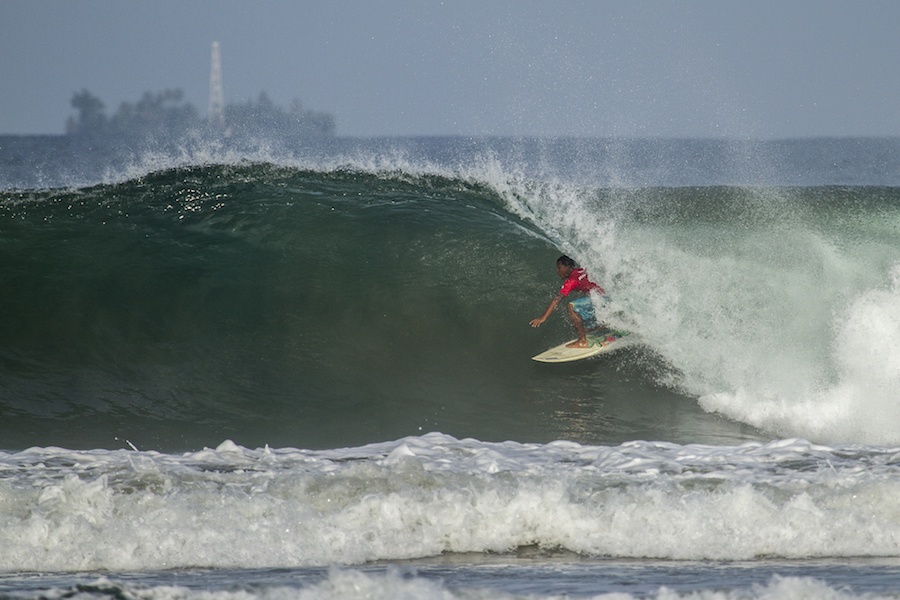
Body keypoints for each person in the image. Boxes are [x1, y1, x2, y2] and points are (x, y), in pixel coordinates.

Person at [529, 255, 605, 348]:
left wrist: (543, 317)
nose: (557, 271)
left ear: (567, 267)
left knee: (571, 306)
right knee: (583, 320)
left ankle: (582, 341)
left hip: (602, 299)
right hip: (607, 298)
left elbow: (557, 299)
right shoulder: (580, 271)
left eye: (559, 267)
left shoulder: (572, 280)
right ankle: (601, 327)